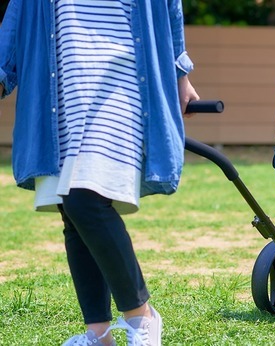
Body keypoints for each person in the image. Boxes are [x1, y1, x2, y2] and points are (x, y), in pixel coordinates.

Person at [0, 0, 200, 345]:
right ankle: (99, 334)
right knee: (71, 209)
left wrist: (180, 74)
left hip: (124, 83)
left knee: (84, 200)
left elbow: (169, 10)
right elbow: (16, 18)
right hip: (61, 89)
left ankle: (143, 319)